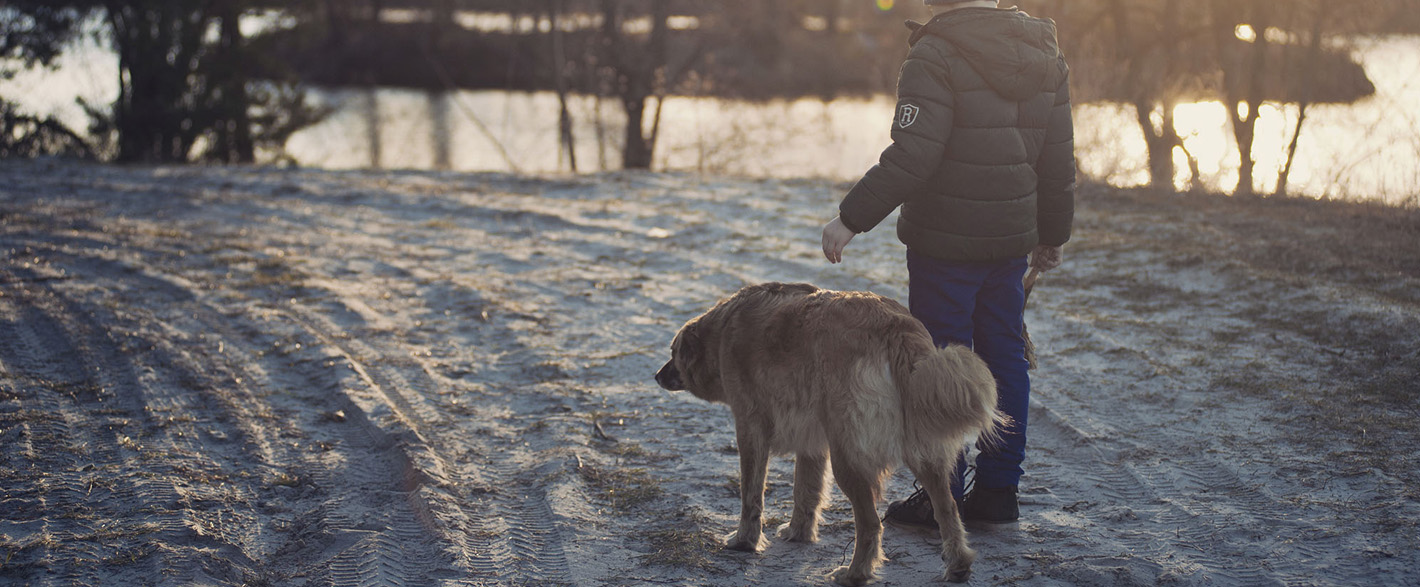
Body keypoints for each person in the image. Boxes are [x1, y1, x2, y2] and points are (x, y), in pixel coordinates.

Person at [821, 0, 1074, 527]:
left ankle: (945, 497)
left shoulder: (935, 53)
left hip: (945, 243)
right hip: (1008, 239)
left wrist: (850, 218)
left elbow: (915, 154)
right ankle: (1000, 492)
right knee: (1005, 354)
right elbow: (1057, 157)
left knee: (939, 361)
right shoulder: (1043, 51)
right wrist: (1052, 234)